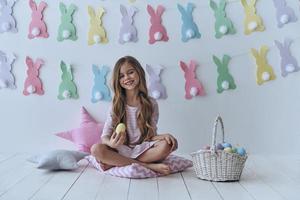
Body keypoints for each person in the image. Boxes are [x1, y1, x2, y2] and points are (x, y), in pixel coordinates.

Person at [91, 56, 178, 175]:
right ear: (118, 80)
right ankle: (148, 166)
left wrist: (164, 136)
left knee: (167, 145)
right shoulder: (116, 105)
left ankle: (116, 161)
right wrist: (111, 144)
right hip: (120, 149)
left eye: (130, 72)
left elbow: (150, 136)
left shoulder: (151, 103)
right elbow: (105, 136)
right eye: (121, 76)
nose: (127, 78)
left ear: (139, 73)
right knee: (96, 149)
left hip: (142, 149)